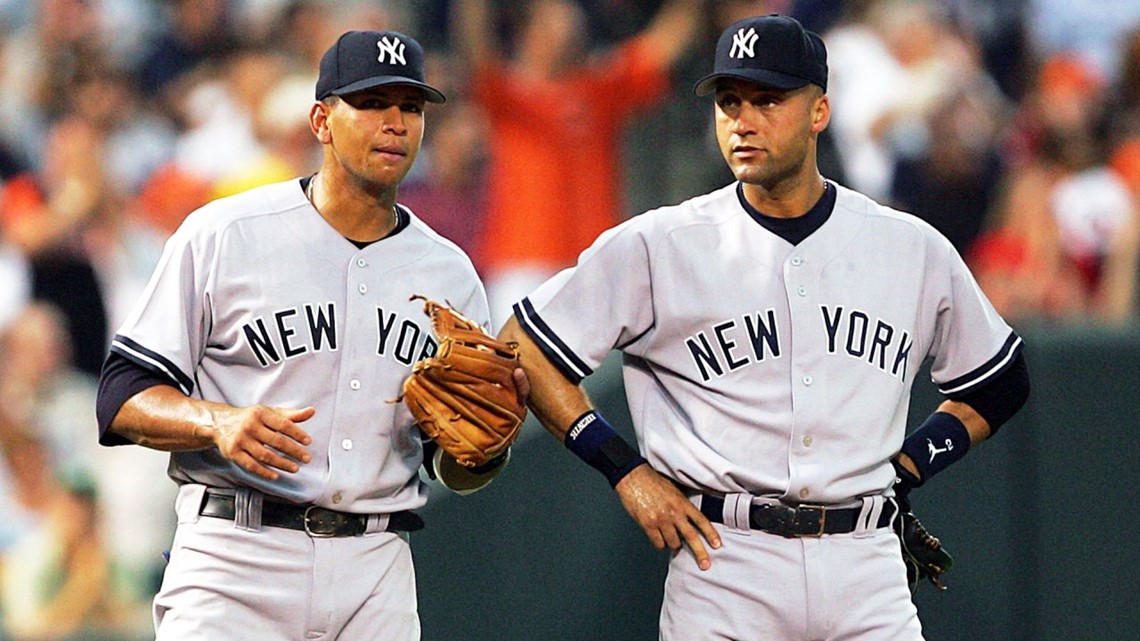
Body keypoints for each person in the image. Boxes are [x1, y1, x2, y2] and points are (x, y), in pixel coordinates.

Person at [499, 14, 1030, 640]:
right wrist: (623, 468)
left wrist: (910, 467)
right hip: (726, 563)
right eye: (730, 101)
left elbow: (1000, 382)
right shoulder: (661, 243)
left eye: (768, 99)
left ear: (819, 112)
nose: (742, 120)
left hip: (866, 565)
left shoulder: (908, 246)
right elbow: (522, 345)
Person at [95, 30, 523, 640]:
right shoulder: (225, 233)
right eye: (373, 103)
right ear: (321, 120)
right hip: (235, 556)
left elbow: (448, 462)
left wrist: (484, 450)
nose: (395, 122)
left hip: (375, 564)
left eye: (411, 106)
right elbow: (121, 397)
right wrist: (217, 421)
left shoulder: (448, 272)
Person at [452, 0, 702, 329]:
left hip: (593, 264)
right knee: (516, 373)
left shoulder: (599, 90)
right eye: (556, 22)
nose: (569, 30)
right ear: (529, 34)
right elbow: (474, 47)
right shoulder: (507, 93)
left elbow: (661, 48)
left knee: (594, 378)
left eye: (572, 22)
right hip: (522, 265)